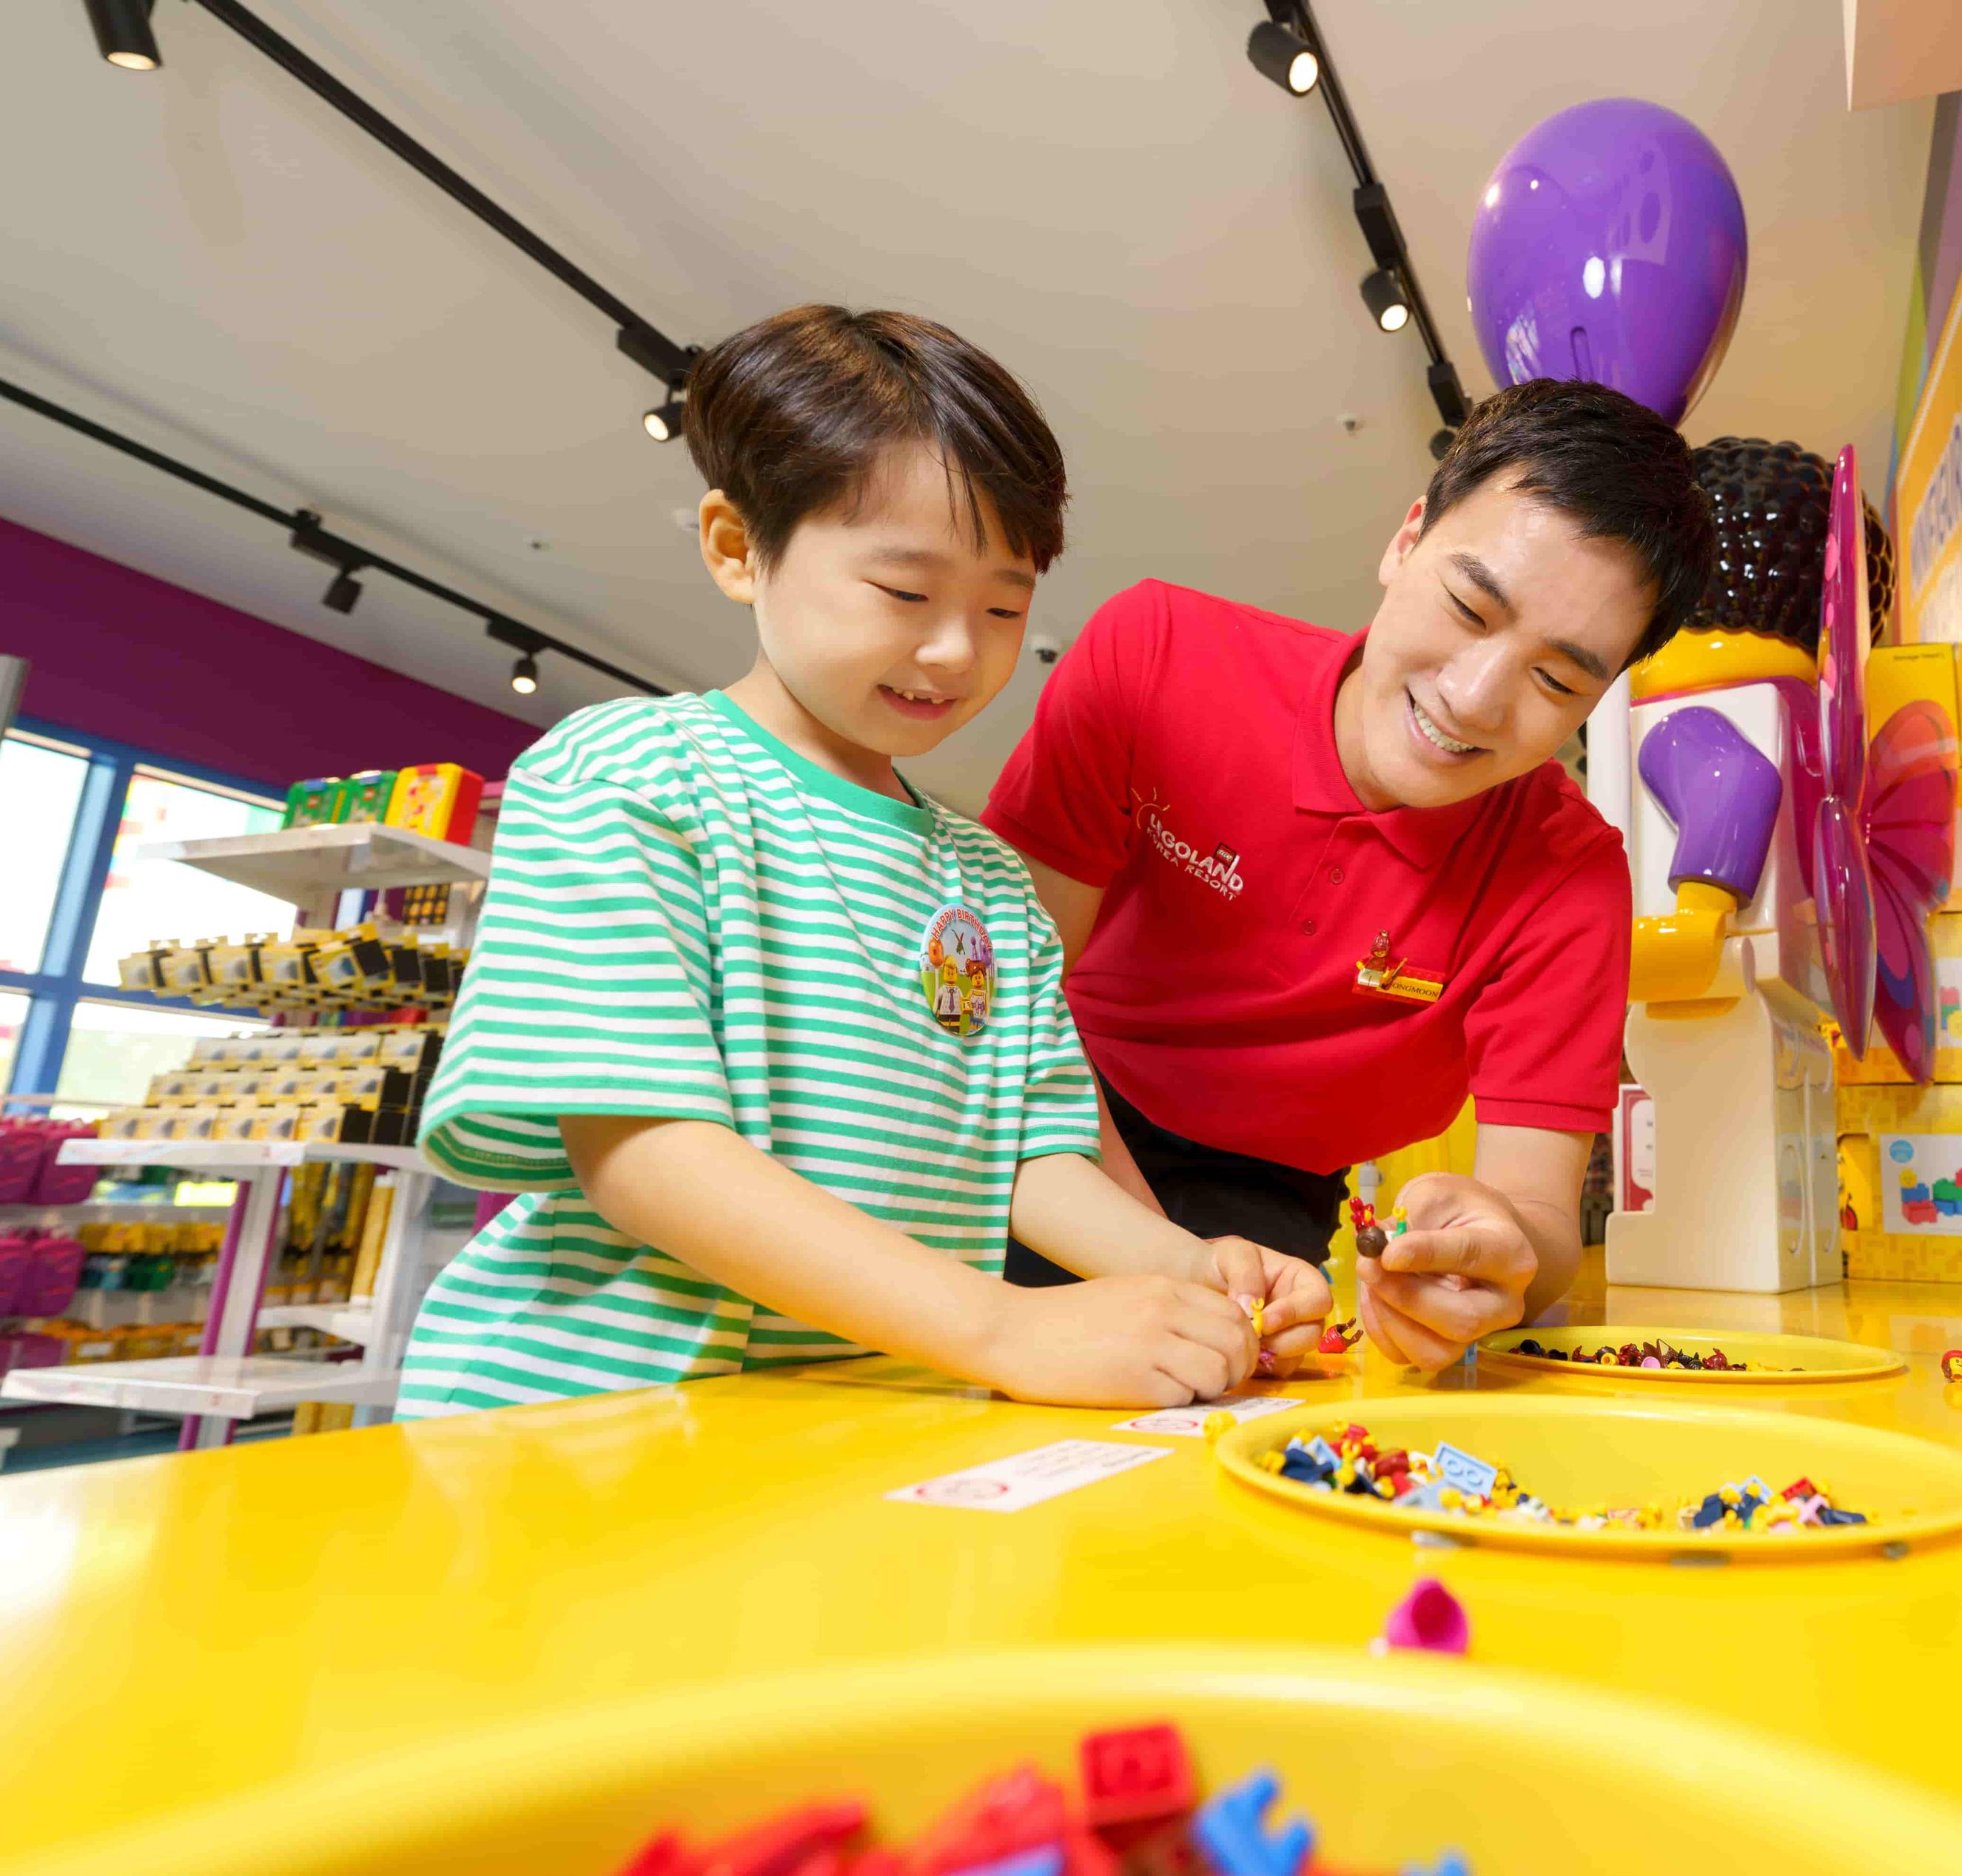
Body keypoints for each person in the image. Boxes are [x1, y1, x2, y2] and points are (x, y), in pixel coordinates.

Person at [396, 305, 1330, 1419]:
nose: (956, 651)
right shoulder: (631, 776)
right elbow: (642, 1148)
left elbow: (1035, 1161)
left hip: (862, 1423)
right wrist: (1004, 1325)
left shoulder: (988, 883)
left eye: (1003, 607)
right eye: (905, 593)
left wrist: (1187, 1269)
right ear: (740, 550)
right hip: (589, 1423)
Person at [984, 379, 1710, 1368]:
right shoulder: (1155, 659)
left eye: (1557, 680)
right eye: (1468, 607)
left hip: (1270, 1203)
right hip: (1046, 1121)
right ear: (1407, 539)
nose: (1474, 700)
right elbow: (999, 1017)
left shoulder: (1568, 876)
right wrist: (1150, 1255)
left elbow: (1541, 1226)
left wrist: (1493, 1256)